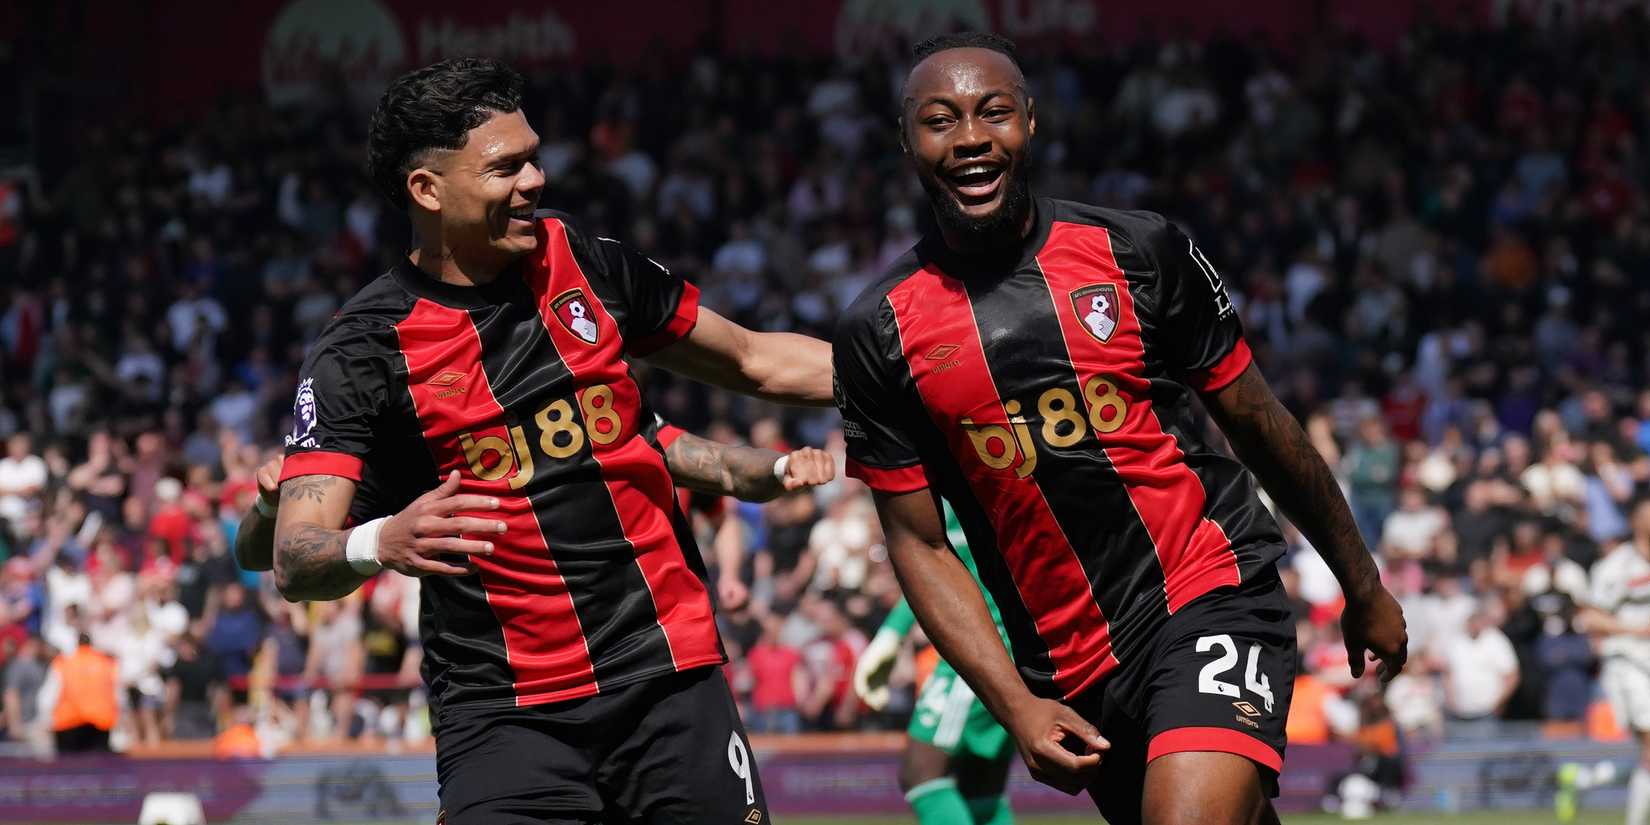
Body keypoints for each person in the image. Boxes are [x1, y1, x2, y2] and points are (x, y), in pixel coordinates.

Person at [832, 33, 1407, 825]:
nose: (970, 137)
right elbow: (919, 543)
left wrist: (1362, 581)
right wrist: (1015, 704)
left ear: (1029, 122)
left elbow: (1257, 420)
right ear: (907, 141)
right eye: (941, 120)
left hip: (1208, 588)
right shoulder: (878, 329)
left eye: (993, 112)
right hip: (1072, 667)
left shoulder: (1138, 249)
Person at [269, 58, 833, 825]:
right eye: (506, 166)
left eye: (534, 156)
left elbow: (756, 360)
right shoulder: (364, 350)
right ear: (426, 190)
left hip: (666, 677)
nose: (535, 179)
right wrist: (380, 540)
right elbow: (295, 555)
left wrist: (921, 373)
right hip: (504, 715)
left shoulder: (589, 264)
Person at [854, 501, 1017, 825]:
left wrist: (892, 633)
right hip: (1011, 644)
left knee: (920, 773)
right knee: (979, 785)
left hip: (982, 649)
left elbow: (933, 569)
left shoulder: (942, 487)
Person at [1570, 498, 1650, 825]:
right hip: (1628, 663)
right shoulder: (1616, 566)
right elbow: (1589, 618)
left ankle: (1584, 780)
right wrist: (1634, 629)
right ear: (1636, 520)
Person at [41, 632, 119, 753]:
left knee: (70, 768)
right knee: (100, 768)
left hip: (68, 724)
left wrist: (46, 720)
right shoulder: (106, 663)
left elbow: (48, 696)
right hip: (100, 725)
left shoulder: (64, 663)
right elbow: (118, 692)